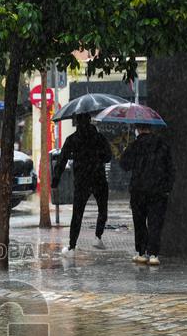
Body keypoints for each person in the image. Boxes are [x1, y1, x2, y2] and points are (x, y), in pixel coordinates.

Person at [52, 113, 112, 256]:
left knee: (77, 214)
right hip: (99, 179)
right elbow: (108, 157)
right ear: (90, 120)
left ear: (76, 122)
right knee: (102, 209)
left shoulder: (72, 139)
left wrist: (55, 179)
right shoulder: (100, 138)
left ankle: (72, 247)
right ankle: (98, 237)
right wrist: (98, 157)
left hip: (82, 181)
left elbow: (61, 160)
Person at [120, 123, 174, 266]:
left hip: (139, 191)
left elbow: (125, 165)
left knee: (139, 222)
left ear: (138, 129)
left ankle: (141, 253)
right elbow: (171, 168)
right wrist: (167, 187)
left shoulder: (135, 145)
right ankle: (154, 254)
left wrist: (125, 151)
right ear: (151, 128)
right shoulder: (162, 144)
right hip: (158, 191)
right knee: (155, 223)